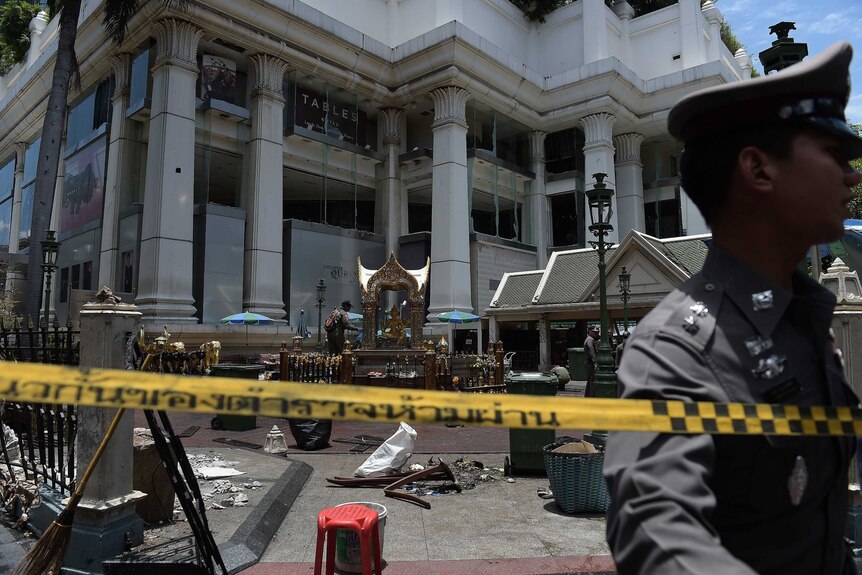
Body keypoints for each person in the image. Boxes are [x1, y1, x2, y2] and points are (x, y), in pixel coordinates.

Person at [603, 42, 862, 575]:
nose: (852, 176)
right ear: (758, 169)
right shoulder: (676, 349)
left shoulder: (804, 322)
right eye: (834, 155)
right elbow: (655, 533)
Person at [583, 325, 599, 397]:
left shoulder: (589, 339)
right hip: (590, 363)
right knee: (592, 380)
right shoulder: (590, 339)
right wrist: (595, 362)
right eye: (594, 332)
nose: (596, 333)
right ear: (590, 332)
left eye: (597, 332)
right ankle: (592, 396)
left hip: (588, 362)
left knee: (590, 380)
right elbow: (591, 350)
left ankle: (588, 395)